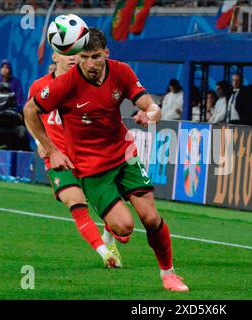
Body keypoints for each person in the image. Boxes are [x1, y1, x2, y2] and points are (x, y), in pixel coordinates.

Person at [24, 27, 189, 292]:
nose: (90, 63)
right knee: (125, 226)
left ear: (106, 54)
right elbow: (29, 111)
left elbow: (149, 104)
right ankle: (113, 226)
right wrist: (51, 149)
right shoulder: (65, 84)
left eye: (96, 57)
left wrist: (152, 113)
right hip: (91, 168)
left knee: (150, 217)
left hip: (124, 155)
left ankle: (168, 274)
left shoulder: (121, 71)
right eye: (85, 57)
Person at [27, 51, 124, 269]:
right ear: (54, 57)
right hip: (58, 157)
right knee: (75, 202)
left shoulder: (88, 85)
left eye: (75, 53)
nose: (72, 57)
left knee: (113, 208)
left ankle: (109, 240)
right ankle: (104, 252)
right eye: (65, 53)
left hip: (89, 155)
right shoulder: (39, 86)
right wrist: (39, 141)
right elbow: (29, 116)